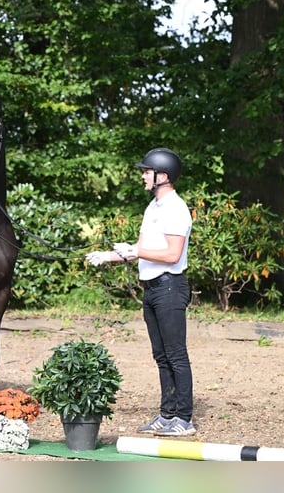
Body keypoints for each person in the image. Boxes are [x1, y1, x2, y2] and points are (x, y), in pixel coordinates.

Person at [85, 147, 195, 436]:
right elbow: (143, 252)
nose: (144, 176)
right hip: (152, 288)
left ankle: (184, 418)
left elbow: (172, 255)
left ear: (163, 176)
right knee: (161, 355)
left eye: (148, 172)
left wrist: (135, 249)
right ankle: (167, 414)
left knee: (176, 354)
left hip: (170, 287)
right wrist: (107, 255)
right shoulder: (153, 208)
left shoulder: (176, 208)